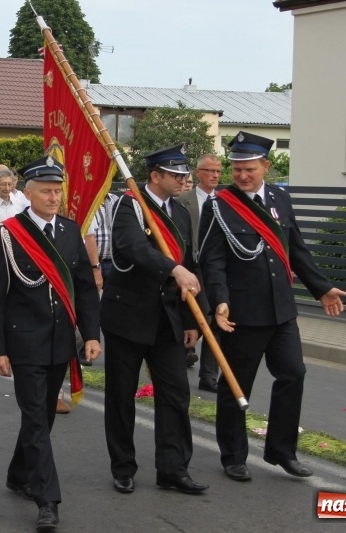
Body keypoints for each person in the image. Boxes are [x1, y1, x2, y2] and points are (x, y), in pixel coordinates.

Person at [197, 131, 346, 482]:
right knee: (237, 385)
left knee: (293, 373)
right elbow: (212, 260)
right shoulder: (219, 205)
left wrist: (322, 289)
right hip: (242, 313)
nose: (242, 176)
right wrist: (219, 301)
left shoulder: (281, 198)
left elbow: (296, 249)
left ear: (266, 166)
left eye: (249, 169)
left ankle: (282, 451)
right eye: (236, 170)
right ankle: (233, 455)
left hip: (282, 311)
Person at [0, 155, 101, 531]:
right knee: (35, 418)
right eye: (46, 191)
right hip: (24, 343)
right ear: (27, 193)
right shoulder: (8, 233)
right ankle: (47, 499)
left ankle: (18, 473)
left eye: (58, 191)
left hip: (59, 342)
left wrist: (92, 335)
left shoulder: (68, 231)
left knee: (43, 416)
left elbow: (83, 289)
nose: (53, 197)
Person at [100, 145, 209, 496]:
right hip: (128, 317)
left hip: (168, 320)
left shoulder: (180, 212)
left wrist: (194, 319)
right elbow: (134, 249)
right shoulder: (130, 206)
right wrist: (172, 268)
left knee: (176, 395)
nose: (183, 179)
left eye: (184, 173)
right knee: (121, 396)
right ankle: (123, 467)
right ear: (155, 176)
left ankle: (173, 469)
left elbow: (190, 264)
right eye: (175, 174)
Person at [176, 154, 222, 390]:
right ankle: (184, 349)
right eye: (210, 171)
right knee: (201, 315)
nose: (215, 175)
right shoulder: (183, 200)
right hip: (190, 267)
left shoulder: (225, 202)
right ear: (198, 173)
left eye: (218, 171)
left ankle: (208, 375)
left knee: (217, 319)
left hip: (215, 270)